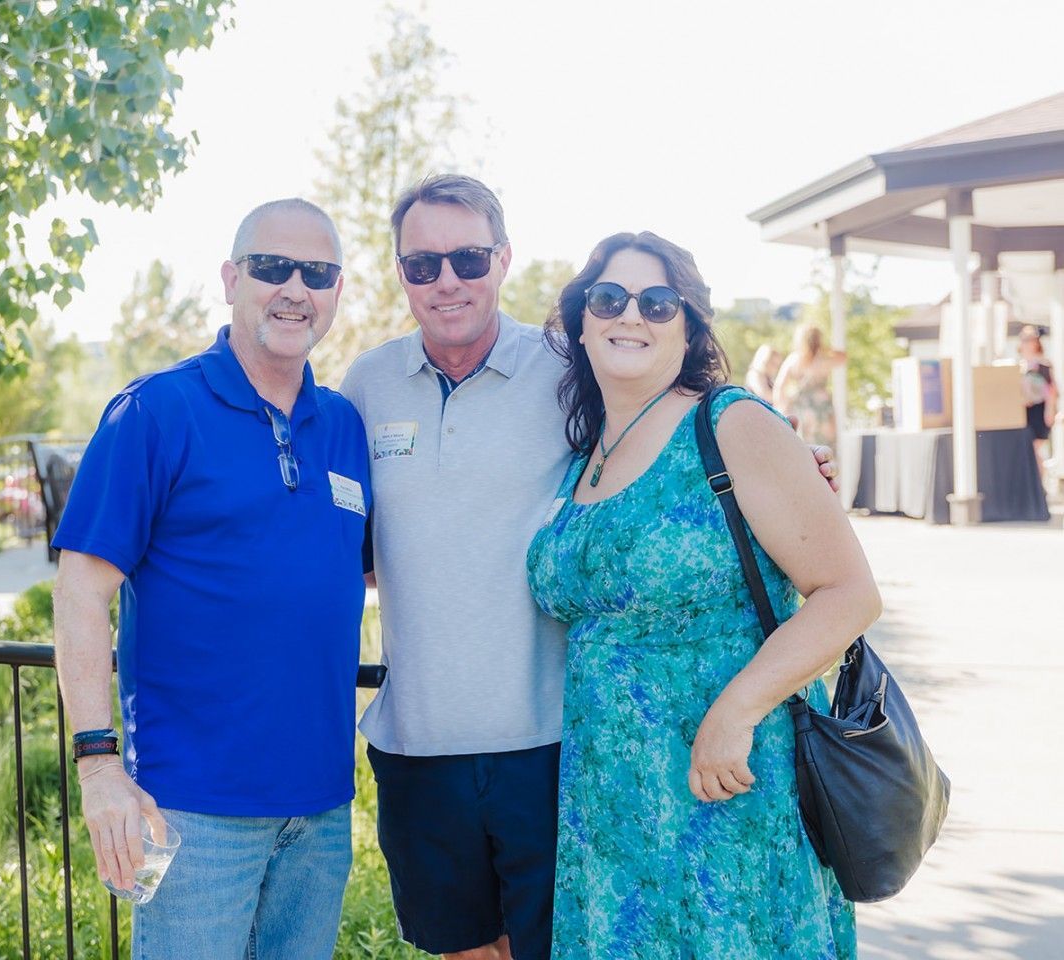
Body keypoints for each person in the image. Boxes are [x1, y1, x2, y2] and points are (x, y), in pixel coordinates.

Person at [340, 177, 839, 960]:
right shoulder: (366, 387)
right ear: (397, 270)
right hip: (426, 743)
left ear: (502, 258)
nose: (447, 280)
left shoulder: (566, 367)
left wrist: (790, 472)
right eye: (422, 263)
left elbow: (690, 446)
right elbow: (353, 541)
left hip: (557, 744)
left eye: (468, 257)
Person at [527, 231, 878, 958]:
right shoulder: (582, 451)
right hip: (611, 804)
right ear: (580, 322)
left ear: (687, 327)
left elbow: (847, 594)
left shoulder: (730, 423)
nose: (631, 316)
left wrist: (735, 710)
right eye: (607, 298)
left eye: (657, 303)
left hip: (726, 785)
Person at [51, 198, 370, 960]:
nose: (295, 288)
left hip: (320, 813)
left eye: (317, 273)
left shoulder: (344, 425)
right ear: (231, 279)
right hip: (191, 813)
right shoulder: (156, 411)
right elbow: (79, 591)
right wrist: (98, 766)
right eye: (272, 267)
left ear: (335, 292)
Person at [774, 323, 846, 446]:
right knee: (826, 448)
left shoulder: (794, 359)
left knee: (805, 446)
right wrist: (825, 348)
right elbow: (843, 357)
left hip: (802, 407)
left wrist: (780, 409)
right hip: (822, 408)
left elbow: (779, 386)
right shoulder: (823, 359)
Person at [1020, 325, 1057, 479]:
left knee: (1035, 448)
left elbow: (1051, 391)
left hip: (1039, 411)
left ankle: (1039, 483)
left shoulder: (1044, 366)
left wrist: (1050, 411)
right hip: (1025, 411)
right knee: (1029, 450)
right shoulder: (1020, 366)